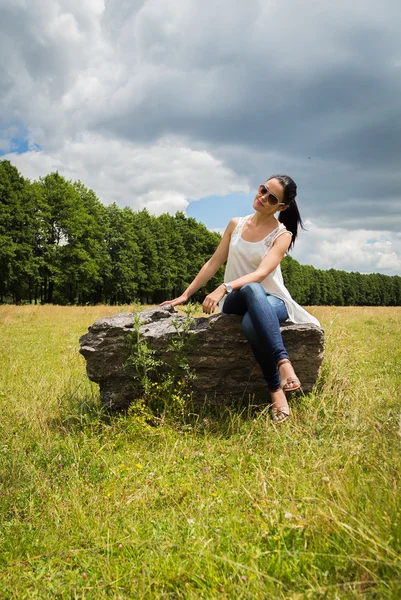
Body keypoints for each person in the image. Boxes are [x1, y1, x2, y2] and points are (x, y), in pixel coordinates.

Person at [160, 175, 320, 423]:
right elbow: (214, 262)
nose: (263, 197)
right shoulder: (236, 224)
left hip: (273, 301)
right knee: (250, 290)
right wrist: (185, 294)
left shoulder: (282, 235)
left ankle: (276, 389)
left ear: (282, 207)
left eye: (272, 198)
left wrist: (224, 287)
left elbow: (260, 274)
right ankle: (283, 361)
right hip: (236, 300)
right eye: (263, 189)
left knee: (250, 316)